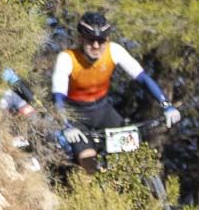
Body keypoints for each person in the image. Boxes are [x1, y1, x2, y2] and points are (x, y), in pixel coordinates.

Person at [51, 11, 181, 174]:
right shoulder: (67, 58)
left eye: (101, 40)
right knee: (88, 161)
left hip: (103, 111)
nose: (96, 46)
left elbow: (142, 78)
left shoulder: (114, 51)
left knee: (131, 152)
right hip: (76, 116)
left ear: (107, 40)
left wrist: (166, 105)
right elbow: (58, 97)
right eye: (91, 40)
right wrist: (66, 125)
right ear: (81, 39)